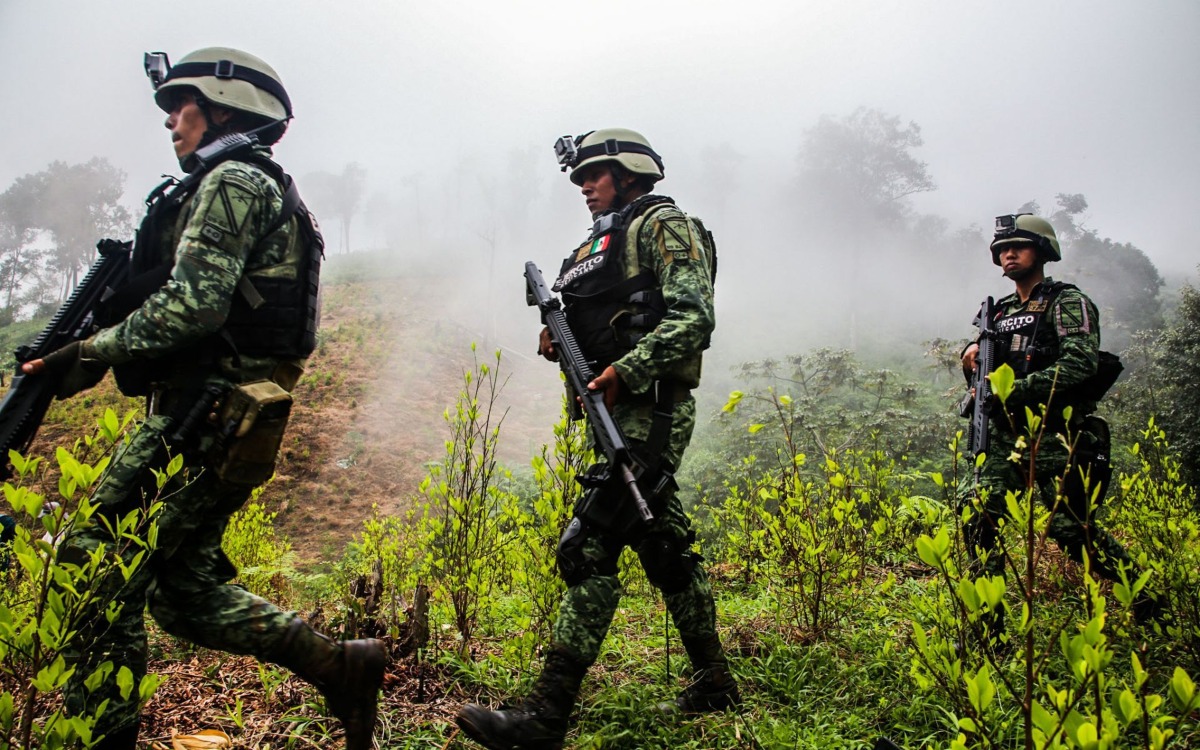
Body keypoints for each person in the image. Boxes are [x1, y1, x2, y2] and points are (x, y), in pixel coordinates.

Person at [21, 48, 384, 750]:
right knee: (182, 593)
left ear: (224, 107)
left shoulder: (234, 180)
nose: (170, 122)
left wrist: (88, 352)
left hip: (208, 412)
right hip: (216, 412)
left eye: (180, 107)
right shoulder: (237, 182)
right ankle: (341, 665)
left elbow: (194, 308)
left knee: (95, 564)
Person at [456, 129, 738, 749]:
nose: (583, 185)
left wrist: (627, 369)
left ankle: (544, 719)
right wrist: (559, 342)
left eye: (594, 174)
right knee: (664, 547)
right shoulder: (595, 245)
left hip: (651, 408)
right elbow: (592, 324)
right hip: (611, 418)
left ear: (629, 171)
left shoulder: (667, 226)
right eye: (580, 176)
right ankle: (715, 679)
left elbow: (696, 318)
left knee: (587, 549)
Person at [959, 213, 1141, 632]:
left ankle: (1146, 596)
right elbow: (986, 375)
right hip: (1004, 435)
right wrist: (970, 357)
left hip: (1056, 431)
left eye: (1018, 246)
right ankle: (991, 628)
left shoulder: (1067, 301)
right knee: (979, 518)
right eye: (1003, 249)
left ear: (1041, 251)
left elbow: (1079, 364)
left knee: (1072, 531)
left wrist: (1014, 391)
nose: (1008, 254)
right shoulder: (997, 314)